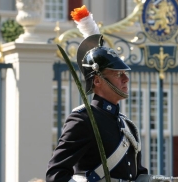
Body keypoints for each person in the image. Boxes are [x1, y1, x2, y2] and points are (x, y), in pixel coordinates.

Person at [46, 34, 148, 182]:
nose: (126, 79)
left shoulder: (128, 127)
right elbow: (55, 174)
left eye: (125, 73)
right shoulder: (83, 119)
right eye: (118, 74)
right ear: (98, 80)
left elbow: (137, 175)